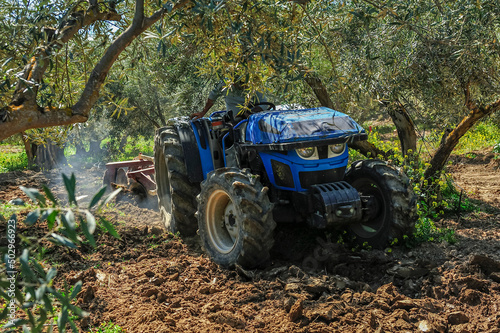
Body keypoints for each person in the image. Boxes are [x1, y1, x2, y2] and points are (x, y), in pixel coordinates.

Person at [190, 80, 269, 120]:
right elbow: (212, 97)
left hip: (253, 118)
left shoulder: (254, 84)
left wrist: (248, 113)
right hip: (232, 120)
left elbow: (263, 104)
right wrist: (203, 113)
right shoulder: (224, 84)